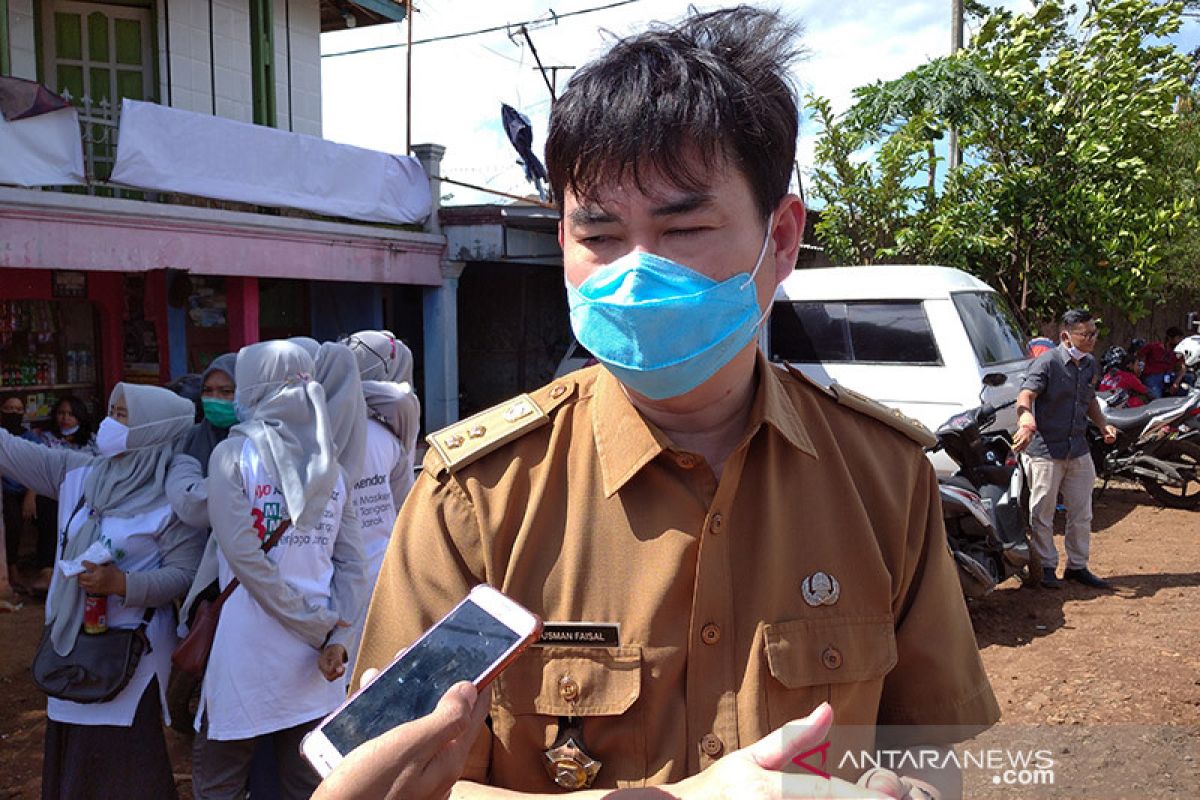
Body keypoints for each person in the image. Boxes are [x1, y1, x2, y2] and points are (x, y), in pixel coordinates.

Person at [354, 8, 998, 798]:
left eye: (684, 226)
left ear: (783, 238)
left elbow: (928, 749)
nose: (635, 273)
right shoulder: (477, 499)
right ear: (561, 240)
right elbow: (387, 785)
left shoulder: (885, 478)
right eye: (598, 234)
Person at [0, 383, 204, 798]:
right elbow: (7, 450)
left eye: (124, 415)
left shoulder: (174, 495)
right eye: (111, 411)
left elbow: (185, 574)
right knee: (74, 760)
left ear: (153, 427)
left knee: (126, 769)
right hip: (72, 644)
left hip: (130, 655)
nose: (111, 422)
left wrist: (122, 584)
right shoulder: (81, 473)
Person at [189, 340, 368, 800]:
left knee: (219, 782)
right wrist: (337, 636)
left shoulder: (232, 457)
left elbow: (245, 562)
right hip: (318, 664)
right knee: (307, 786)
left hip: (248, 654)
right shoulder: (331, 467)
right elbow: (352, 565)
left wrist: (322, 630)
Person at [1013, 310, 1117, 590]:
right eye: (1086, 334)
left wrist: (1103, 424)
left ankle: (1077, 566)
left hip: (1078, 449)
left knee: (1082, 512)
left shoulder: (1090, 364)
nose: (1093, 339)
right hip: (1046, 451)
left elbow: (1090, 399)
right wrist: (1026, 419)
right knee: (1042, 513)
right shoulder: (1046, 364)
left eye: (1095, 333)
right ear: (1065, 336)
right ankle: (1046, 566)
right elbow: (1026, 395)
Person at [342, 330, 421, 669]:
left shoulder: (329, 427)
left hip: (333, 570)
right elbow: (403, 500)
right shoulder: (391, 432)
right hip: (380, 563)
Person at [22, 395, 98, 595]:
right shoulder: (45, 438)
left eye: (71, 414)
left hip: (84, 493)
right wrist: (30, 497)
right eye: (61, 413)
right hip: (53, 492)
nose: (65, 418)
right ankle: (47, 570)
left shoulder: (92, 440)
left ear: (79, 417)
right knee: (49, 510)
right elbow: (37, 469)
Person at [1138, 326, 1187, 399]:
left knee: (1189, 379)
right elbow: (1138, 357)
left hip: (1168, 376)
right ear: (1170, 338)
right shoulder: (1153, 347)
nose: (1180, 341)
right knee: (1156, 398)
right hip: (1152, 376)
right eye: (1178, 338)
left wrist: (1176, 382)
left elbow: (1183, 368)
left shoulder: (1177, 353)